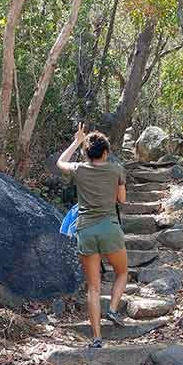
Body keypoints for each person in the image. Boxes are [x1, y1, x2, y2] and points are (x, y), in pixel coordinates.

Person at [57, 123, 128, 348]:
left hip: (85, 231)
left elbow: (60, 163)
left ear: (87, 153)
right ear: (106, 152)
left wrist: (76, 141)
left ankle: (97, 338)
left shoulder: (79, 168)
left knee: (93, 288)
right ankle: (114, 310)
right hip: (109, 228)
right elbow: (122, 200)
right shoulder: (116, 169)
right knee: (122, 272)